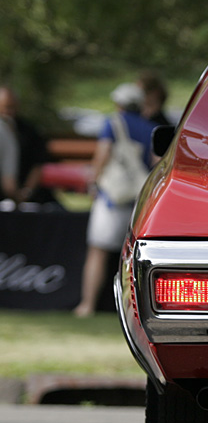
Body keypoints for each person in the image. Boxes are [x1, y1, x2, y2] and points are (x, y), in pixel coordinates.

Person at [73, 82, 159, 317]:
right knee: (131, 257)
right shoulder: (150, 128)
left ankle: (87, 305)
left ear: (119, 103)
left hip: (112, 197)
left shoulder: (113, 123)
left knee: (98, 252)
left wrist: (93, 182)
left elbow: (102, 154)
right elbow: (153, 163)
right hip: (135, 198)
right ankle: (132, 310)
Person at [0, 86, 57, 205]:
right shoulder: (4, 131)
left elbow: (38, 164)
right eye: (6, 107)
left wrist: (25, 192)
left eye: (13, 107)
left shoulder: (28, 131)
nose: (9, 112)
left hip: (30, 195)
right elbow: (8, 184)